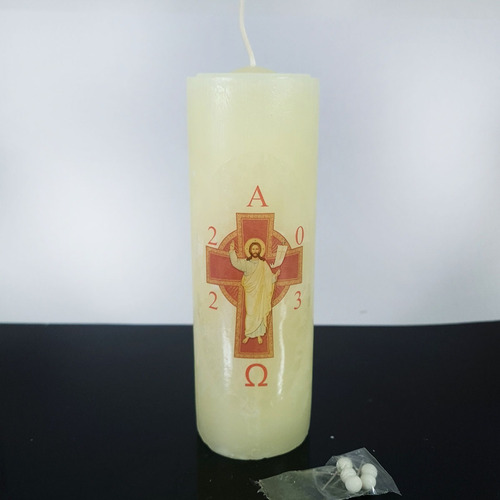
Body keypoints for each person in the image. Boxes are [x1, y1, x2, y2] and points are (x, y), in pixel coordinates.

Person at [229, 240, 280, 344]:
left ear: (260, 250)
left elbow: (268, 277)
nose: (255, 251)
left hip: (260, 292)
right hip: (250, 292)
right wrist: (231, 251)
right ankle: (248, 334)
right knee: (250, 312)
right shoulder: (245, 263)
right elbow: (235, 263)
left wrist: (275, 276)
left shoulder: (263, 264)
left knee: (259, 311)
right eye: (253, 249)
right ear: (250, 250)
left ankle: (259, 335)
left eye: (257, 249)